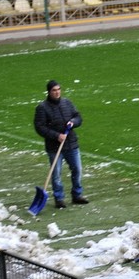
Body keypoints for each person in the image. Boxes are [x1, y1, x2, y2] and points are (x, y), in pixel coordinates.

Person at [34, 80, 88, 209]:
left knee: (77, 169)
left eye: (58, 89)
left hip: (71, 144)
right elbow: (40, 127)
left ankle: (77, 195)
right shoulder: (42, 108)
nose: (57, 92)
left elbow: (78, 117)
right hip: (54, 147)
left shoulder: (67, 103)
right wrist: (56, 136)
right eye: (54, 90)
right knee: (56, 173)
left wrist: (73, 122)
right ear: (49, 92)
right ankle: (59, 198)